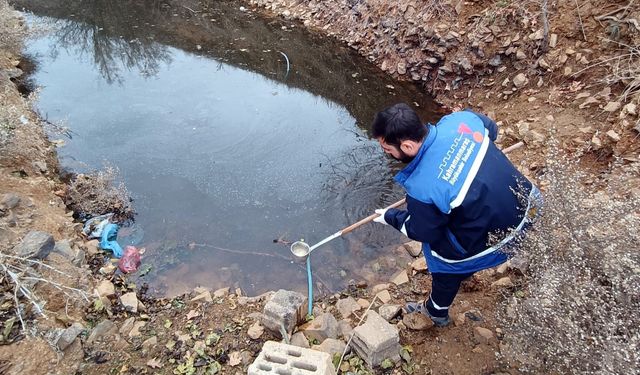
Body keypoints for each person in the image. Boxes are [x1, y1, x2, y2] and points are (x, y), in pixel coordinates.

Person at [371, 103, 540, 327]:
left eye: (388, 150)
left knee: (439, 253)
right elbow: (493, 130)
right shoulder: (461, 121)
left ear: (408, 146)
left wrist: (390, 216)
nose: (388, 154)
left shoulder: (422, 186)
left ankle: (435, 311)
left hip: (507, 237)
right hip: (532, 207)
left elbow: (421, 231)